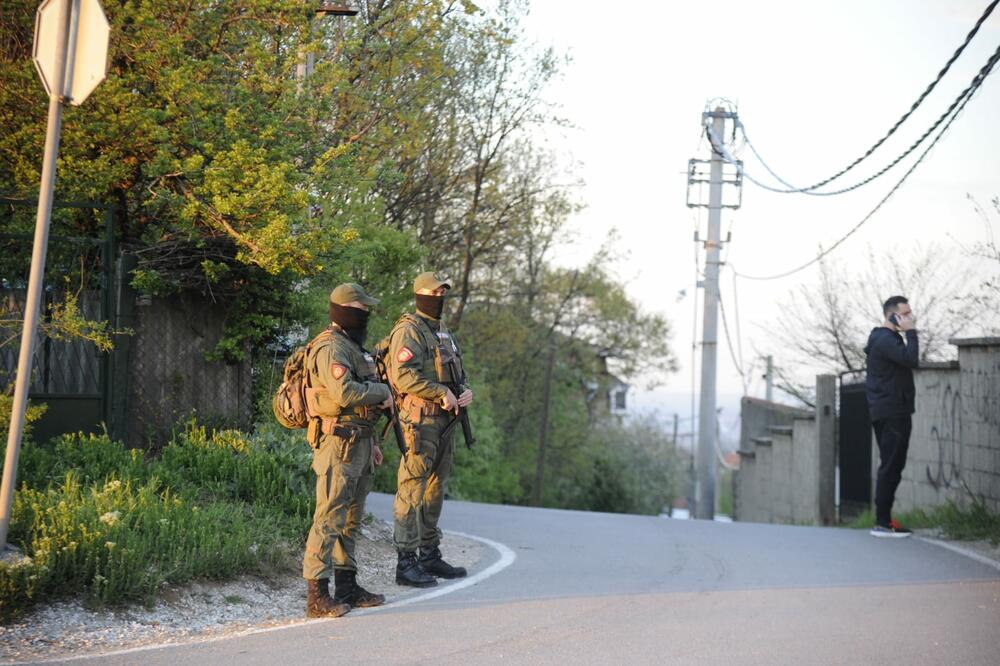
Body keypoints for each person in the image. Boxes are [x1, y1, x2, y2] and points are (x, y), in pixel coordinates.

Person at [302, 283, 391, 617]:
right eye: (361, 308)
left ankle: (347, 586)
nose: (366, 313)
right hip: (338, 444)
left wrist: (375, 443)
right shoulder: (330, 348)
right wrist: (382, 390)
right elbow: (343, 394)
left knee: (351, 520)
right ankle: (316, 594)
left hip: (361, 443)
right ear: (345, 309)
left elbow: (361, 403)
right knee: (329, 517)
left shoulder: (354, 347)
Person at [384, 271, 473, 587]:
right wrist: (440, 392)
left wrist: (464, 391)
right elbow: (403, 376)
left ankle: (429, 554)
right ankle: (405, 562)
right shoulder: (409, 331)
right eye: (435, 293)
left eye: (443, 294)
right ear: (420, 294)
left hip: (446, 422)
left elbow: (454, 372)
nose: (440, 299)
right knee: (411, 489)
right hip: (420, 422)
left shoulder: (443, 332)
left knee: (436, 488)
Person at [864, 295, 919, 538]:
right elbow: (911, 359)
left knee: (893, 464)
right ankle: (882, 522)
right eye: (905, 314)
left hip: (890, 409)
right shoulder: (886, 340)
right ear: (892, 316)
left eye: (909, 313)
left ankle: (884, 520)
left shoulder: (885, 339)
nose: (910, 317)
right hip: (892, 410)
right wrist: (912, 332)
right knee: (891, 465)